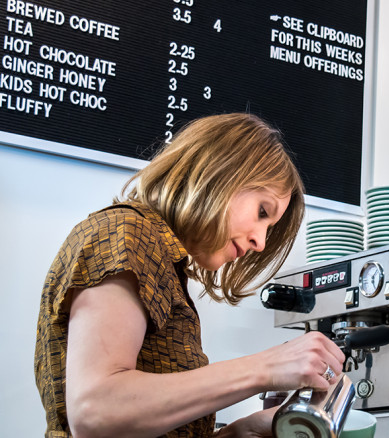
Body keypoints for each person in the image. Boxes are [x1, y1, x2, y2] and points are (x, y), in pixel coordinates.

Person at [34, 113, 345, 437]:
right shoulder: (124, 234)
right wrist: (267, 367)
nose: (260, 241)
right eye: (262, 212)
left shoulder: (163, 265)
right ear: (218, 173)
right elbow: (95, 411)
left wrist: (242, 431)